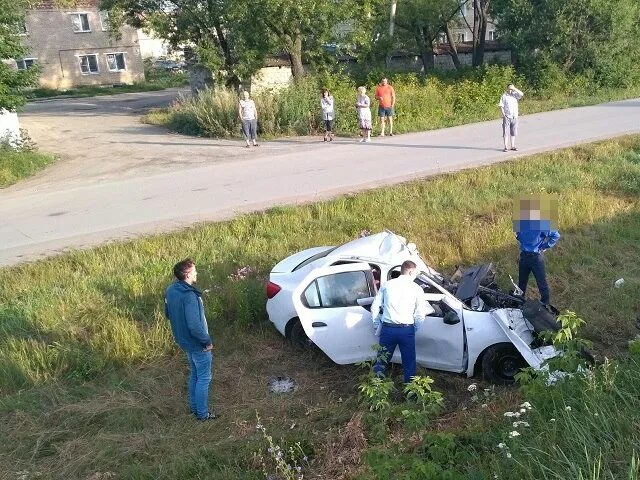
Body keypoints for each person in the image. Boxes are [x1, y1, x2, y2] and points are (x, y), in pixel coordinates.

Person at [164, 258, 218, 421]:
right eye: (194, 270)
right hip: (197, 343)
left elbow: (168, 314)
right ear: (187, 274)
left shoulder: (171, 290)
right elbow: (194, 325)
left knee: (195, 374)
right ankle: (202, 414)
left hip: (184, 341)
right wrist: (206, 341)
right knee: (204, 378)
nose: (196, 273)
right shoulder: (189, 297)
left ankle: (195, 408)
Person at [371, 260, 434, 383]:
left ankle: (377, 390)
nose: (415, 276)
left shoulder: (387, 285)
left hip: (387, 329)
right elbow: (420, 314)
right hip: (406, 330)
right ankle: (410, 395)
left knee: (381, 361)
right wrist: (414, 328)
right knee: (409, 363)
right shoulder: (416, 289)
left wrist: (377, 325)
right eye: (415, 273)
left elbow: (375, 307)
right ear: (410, 272)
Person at [514, 197, 560, 305]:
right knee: (522, 283)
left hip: (534, 257)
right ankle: (519, 304)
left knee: (541, 283)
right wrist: (544, 246)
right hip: (525, 256)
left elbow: (556, 235)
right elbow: (518, 235)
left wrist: (544, 246)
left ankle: (545, 305)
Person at [499, 83, 524, 152]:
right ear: (507, 88)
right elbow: (501, 105)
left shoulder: (515, 95)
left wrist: (514, 89)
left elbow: (521, 94)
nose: (510, 90)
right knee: (505, 132)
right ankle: (505, 147)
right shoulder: (504, 96)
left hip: (514, 116)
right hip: (507, 116)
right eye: (509, 88)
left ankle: (512, 146)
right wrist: (504, 115)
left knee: (513, 132)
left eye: (511, 88)